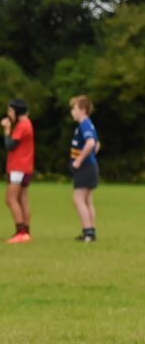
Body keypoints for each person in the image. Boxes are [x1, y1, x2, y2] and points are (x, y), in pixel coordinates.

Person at [0, 99, 35, 243]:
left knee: (11, 199)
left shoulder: (22, 125)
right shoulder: (27, 123)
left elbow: (10, 145)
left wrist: (6, 130)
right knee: (22, 199)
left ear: (16, 111)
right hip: (25, 167)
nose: (8, 114)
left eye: (10, 111)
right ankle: (26, 231)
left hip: (18, 168)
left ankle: (21, 232)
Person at [69, 95, 100, 242]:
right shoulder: (89, 124)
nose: (72, 112)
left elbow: (91, 143)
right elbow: (97, 145)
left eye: (74, 108)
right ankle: (91, 231)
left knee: (78, 198)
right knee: (87, 200)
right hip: (91, 166)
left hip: (85, 167)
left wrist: (79, 160)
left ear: (82, 110)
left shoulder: (84, 124)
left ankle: (88, 233)